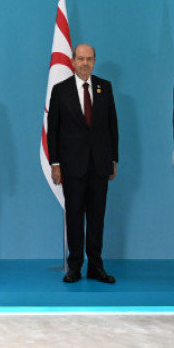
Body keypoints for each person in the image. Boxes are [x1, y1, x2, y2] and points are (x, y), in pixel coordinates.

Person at [47, 43, 118, 284]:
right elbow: (53, 130)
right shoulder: (60, 90)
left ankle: (96, 266)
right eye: (80, 59)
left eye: (89, 59)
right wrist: (55, 163)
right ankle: (75, 266)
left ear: (94, 61)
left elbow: (112, 126)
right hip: (71, 165)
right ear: (72, 61)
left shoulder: (104, 87)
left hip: (100, 164)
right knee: (75, 216)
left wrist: (113, 159)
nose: (85, 63)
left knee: (97, 217)